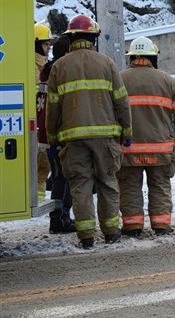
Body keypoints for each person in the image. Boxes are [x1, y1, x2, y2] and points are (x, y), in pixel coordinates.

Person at [46, 14, 132, 249]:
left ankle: (86, 237)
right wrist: (127, 131)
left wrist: (52, 139)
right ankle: (112, 232)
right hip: (106, 139)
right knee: (107, 183)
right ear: (93, 37)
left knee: (80, 186)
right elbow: (121, 101)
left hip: (73, 140)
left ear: (71, 38)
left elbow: (52, 108)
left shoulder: (59, 67)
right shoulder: (107, 63)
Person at [117, 36, 175, 238]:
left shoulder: (120, 79)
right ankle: (161, 227)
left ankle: (132, 227)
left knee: (130, 187)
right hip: (161, 149)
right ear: (152, 57)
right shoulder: (167, 80)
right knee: (159, 186)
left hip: (129, 149)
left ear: (132, 57)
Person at [39, 34, 76, 234]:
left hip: (46, 135)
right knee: (63, 177)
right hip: (57, 135)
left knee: (60, 176)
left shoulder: (48, 70)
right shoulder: (59, 72)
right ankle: (60, 219)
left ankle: (61, 217)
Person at [34, 22, 52, 201]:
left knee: (42, 169)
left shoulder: (44, 67)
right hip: (36, 124)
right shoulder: (32, 68)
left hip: (43, 124)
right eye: (46, 44)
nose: (48, 48)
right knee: (38, 167)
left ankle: (38, 198)